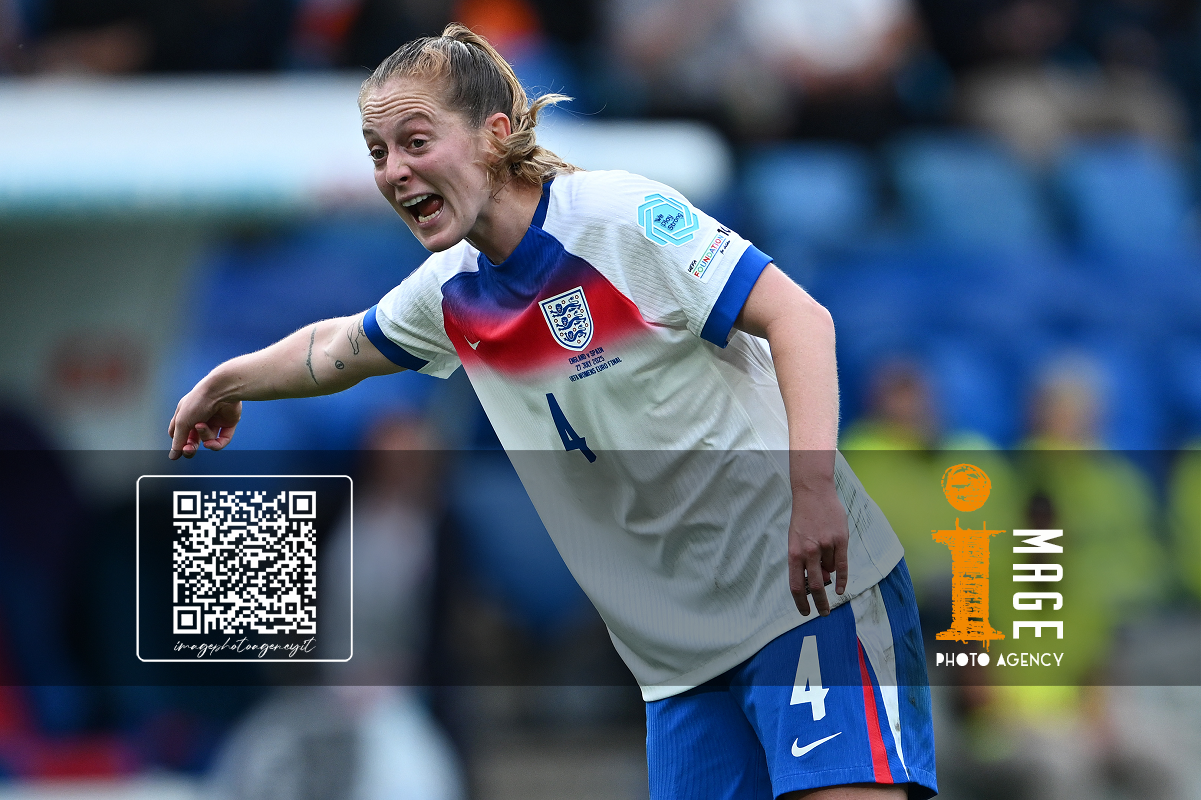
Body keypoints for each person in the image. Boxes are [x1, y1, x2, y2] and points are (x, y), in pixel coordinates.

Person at [168, 24, 936, 799]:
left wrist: (812, 488)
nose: (394, 171)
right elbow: (338, 346)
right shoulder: (449, 290)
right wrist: (226, 382)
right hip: (679, 662)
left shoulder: (617, 218)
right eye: (378, 153)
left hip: (804, 596)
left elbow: (800, 318)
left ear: (494, 135)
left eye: (415, 142)